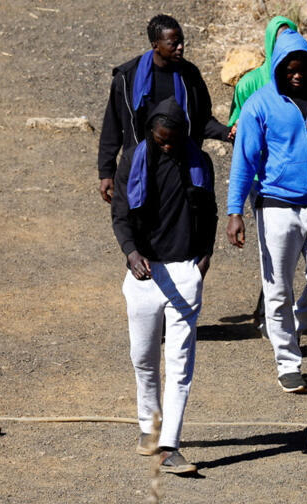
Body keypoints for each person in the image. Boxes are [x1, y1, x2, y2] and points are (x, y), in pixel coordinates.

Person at [226, 28, 307, 394]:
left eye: (303, 68)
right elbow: (243, 161)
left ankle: (287, 327)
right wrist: (235, 211)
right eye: (289, 69)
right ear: (278, 68)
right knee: (277, 288)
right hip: (277, 205)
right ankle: (287, 360)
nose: (296, 75)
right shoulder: (260, 105)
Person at [110, 97, 217, 474]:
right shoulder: (134, 161)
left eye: (174, 139)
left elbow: (210, 213)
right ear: (152, 133)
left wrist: (205, 258)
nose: (168, 145)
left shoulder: (199, 164)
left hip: (185, 272)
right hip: (144, 274)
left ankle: (170, 445)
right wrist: (131, 253)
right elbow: (120, 214)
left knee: (180, 363)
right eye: (161, 139)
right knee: (143, 358)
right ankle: (148, 426)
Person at [98, 14, 230, 204]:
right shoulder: (127, 79)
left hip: (180, 167)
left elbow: (201, 120)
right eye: (173, 43)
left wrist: (227, 133)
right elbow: (112, 127)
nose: (180, 47)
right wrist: (106, 172)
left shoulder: (190, 76)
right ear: (155, 45)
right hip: (140, 167)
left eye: (182, 41)